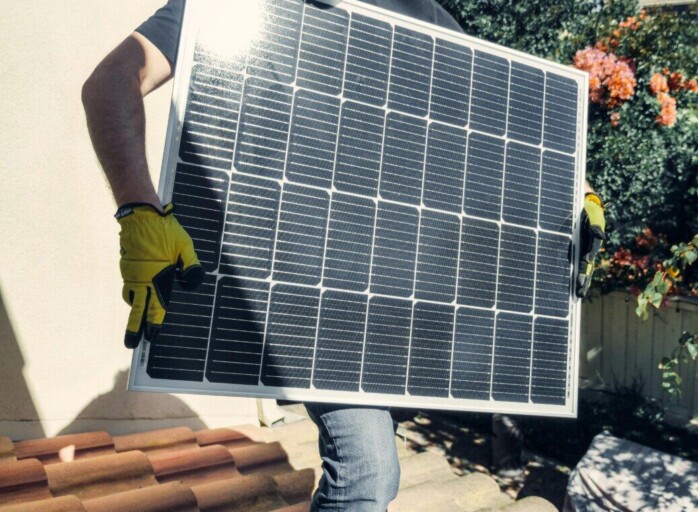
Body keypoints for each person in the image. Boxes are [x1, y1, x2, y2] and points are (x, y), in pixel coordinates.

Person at [82, 0, 604, 510]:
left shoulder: (430, 18)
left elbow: (507, 134)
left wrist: (578, 191)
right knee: (368, 473)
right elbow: (110, 83)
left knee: (375, 470)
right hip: (307, 297)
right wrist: (139, 208)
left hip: (404, 303)